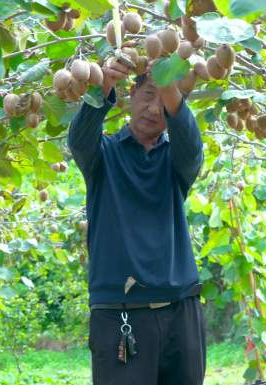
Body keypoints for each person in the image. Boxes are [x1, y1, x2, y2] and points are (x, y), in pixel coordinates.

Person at [68, 57, 205, 385]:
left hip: (180, 310)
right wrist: (104, 84)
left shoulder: (176, 161)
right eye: (148, 96)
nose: (154, 109)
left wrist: (168, 82)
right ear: (131, 94)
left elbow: (192, 144)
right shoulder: (103, 156)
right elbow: (80, 140)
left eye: (164, 101)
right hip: (119, 312)